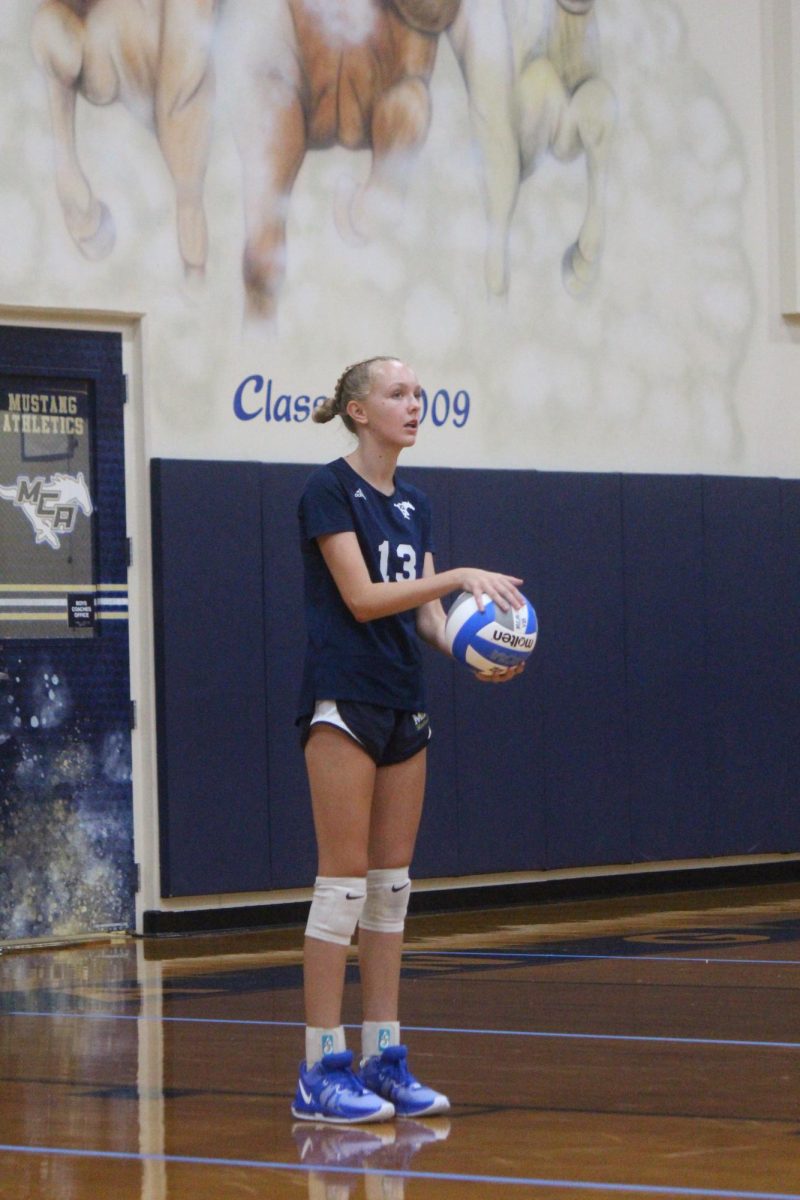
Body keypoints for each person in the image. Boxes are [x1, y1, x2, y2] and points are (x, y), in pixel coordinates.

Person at [293, 356, 525, 1124]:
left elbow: (422, 616)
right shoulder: (329, 489)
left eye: (419, 393)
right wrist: (456, 575)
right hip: (344, 699)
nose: (414, 404)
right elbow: (362, 599)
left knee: (392, 888)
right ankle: (320, 1065)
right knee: (343, 888)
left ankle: (382, 1054)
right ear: (359, 411)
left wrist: (472, 651)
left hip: (403, 701)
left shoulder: (415, 503)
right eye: (397, 393)